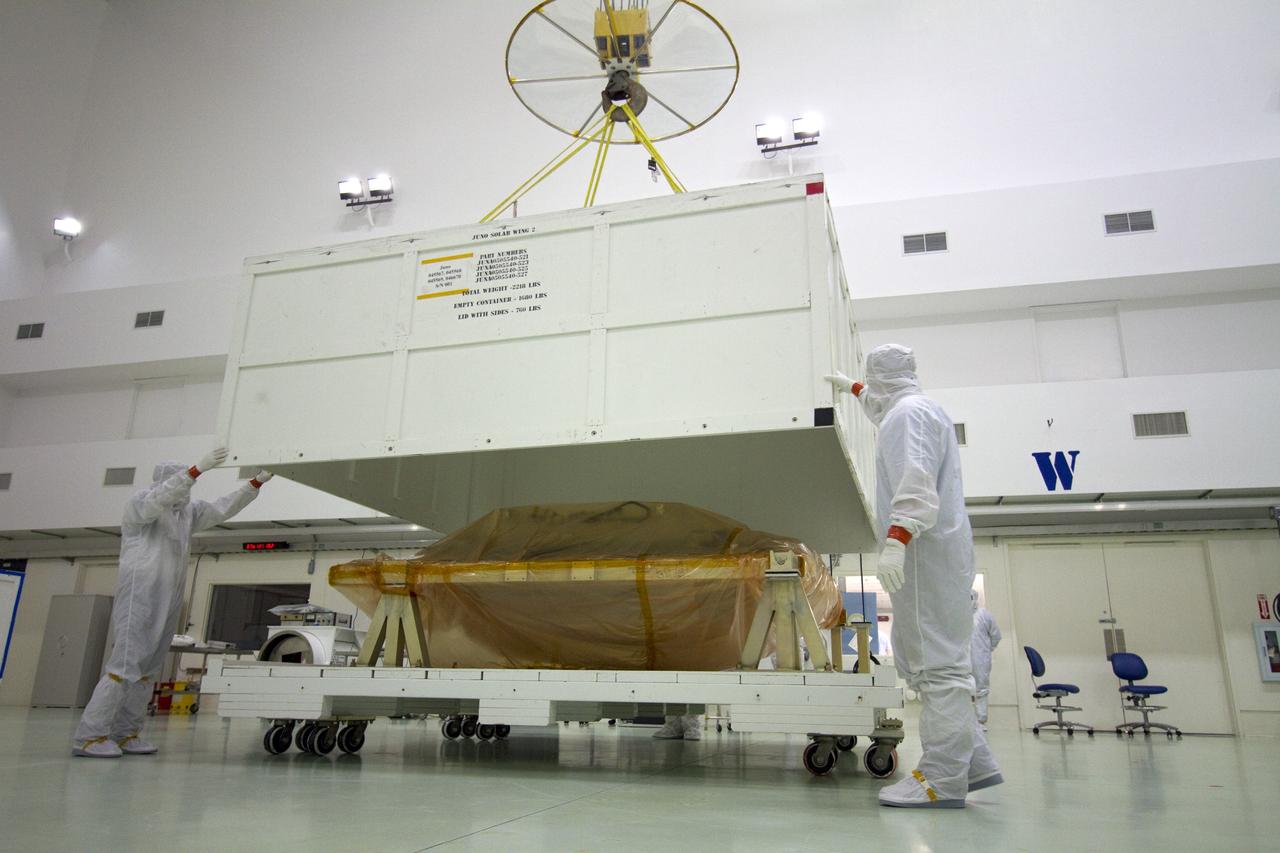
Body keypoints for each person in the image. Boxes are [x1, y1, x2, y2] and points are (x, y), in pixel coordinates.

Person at [826, 344, 1000, 809]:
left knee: (934, 667)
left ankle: (940, 780)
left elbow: (915, 479)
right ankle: (974, 763)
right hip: (937, 551)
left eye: (868, 379)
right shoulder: (914, 409)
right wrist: (854, 390)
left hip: (921, 552)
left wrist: (897, 542)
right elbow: (883, 408)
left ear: (882, 378)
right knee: (939, 660)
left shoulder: (907, 417)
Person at [72, 448, 273, 758]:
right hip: (139, 598)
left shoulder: (185, 514)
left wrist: (255, 483)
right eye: (183, 484)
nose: (187, 492)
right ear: (168, 482)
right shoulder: (142, 505)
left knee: (147, 669)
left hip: (167, 599)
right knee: (124, 667)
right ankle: (90, 735)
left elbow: (222, 508)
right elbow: (160, 499)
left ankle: (127, 734)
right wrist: (195, 471)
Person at [970, 590, 1001, 727]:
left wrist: (986, 650)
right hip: (960, 659)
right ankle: (964, 722)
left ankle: (980, 721)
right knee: (960, 689)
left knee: (981, 689)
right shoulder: (957, 616)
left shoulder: (984, 615)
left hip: (980, 658)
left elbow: (996, 636)